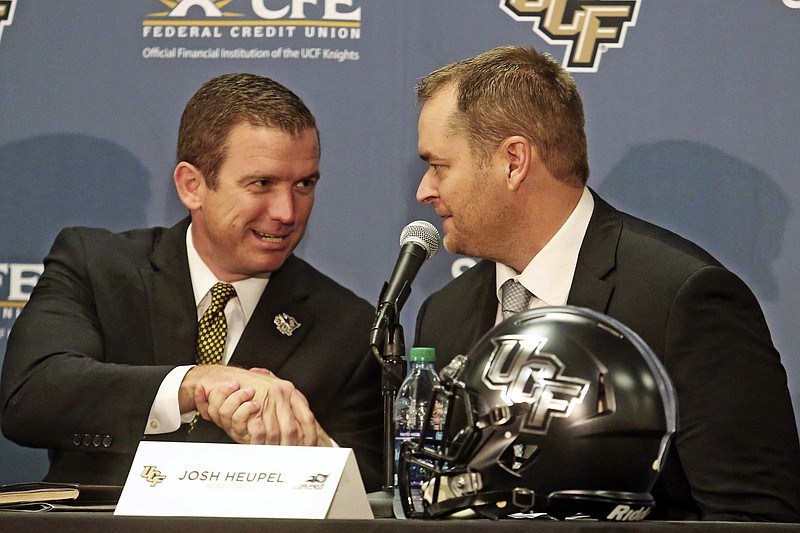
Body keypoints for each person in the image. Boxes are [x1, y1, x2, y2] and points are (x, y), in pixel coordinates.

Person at [411, 46, 800, 521]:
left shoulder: (685, 301)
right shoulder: (444, 315)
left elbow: (757, 519)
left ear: (513, 161)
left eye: (439, 165)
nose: (424, 190)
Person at [0, 73, 382, 492]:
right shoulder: (97, 266)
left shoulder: (347, 326)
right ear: (192, 185)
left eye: (304, 184)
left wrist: (305, 449)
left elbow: (371, 485)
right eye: (262, 183)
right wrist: (194, 383)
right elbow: (29, 397)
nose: (287, 212)